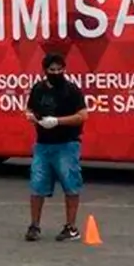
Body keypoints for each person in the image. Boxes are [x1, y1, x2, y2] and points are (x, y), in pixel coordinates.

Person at [24, 52, 89, 243]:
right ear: (45, 71)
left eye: (60, 69)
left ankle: (71, 227)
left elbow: (83, 115)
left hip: (67, 144)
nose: (57, 72)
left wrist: (58, 121)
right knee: (37, 185)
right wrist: (30, 116)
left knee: (71, 184)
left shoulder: (71, 90)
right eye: (53, 70)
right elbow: (29, 108)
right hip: (43, 144)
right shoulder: (38, 89)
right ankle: (34, 225)